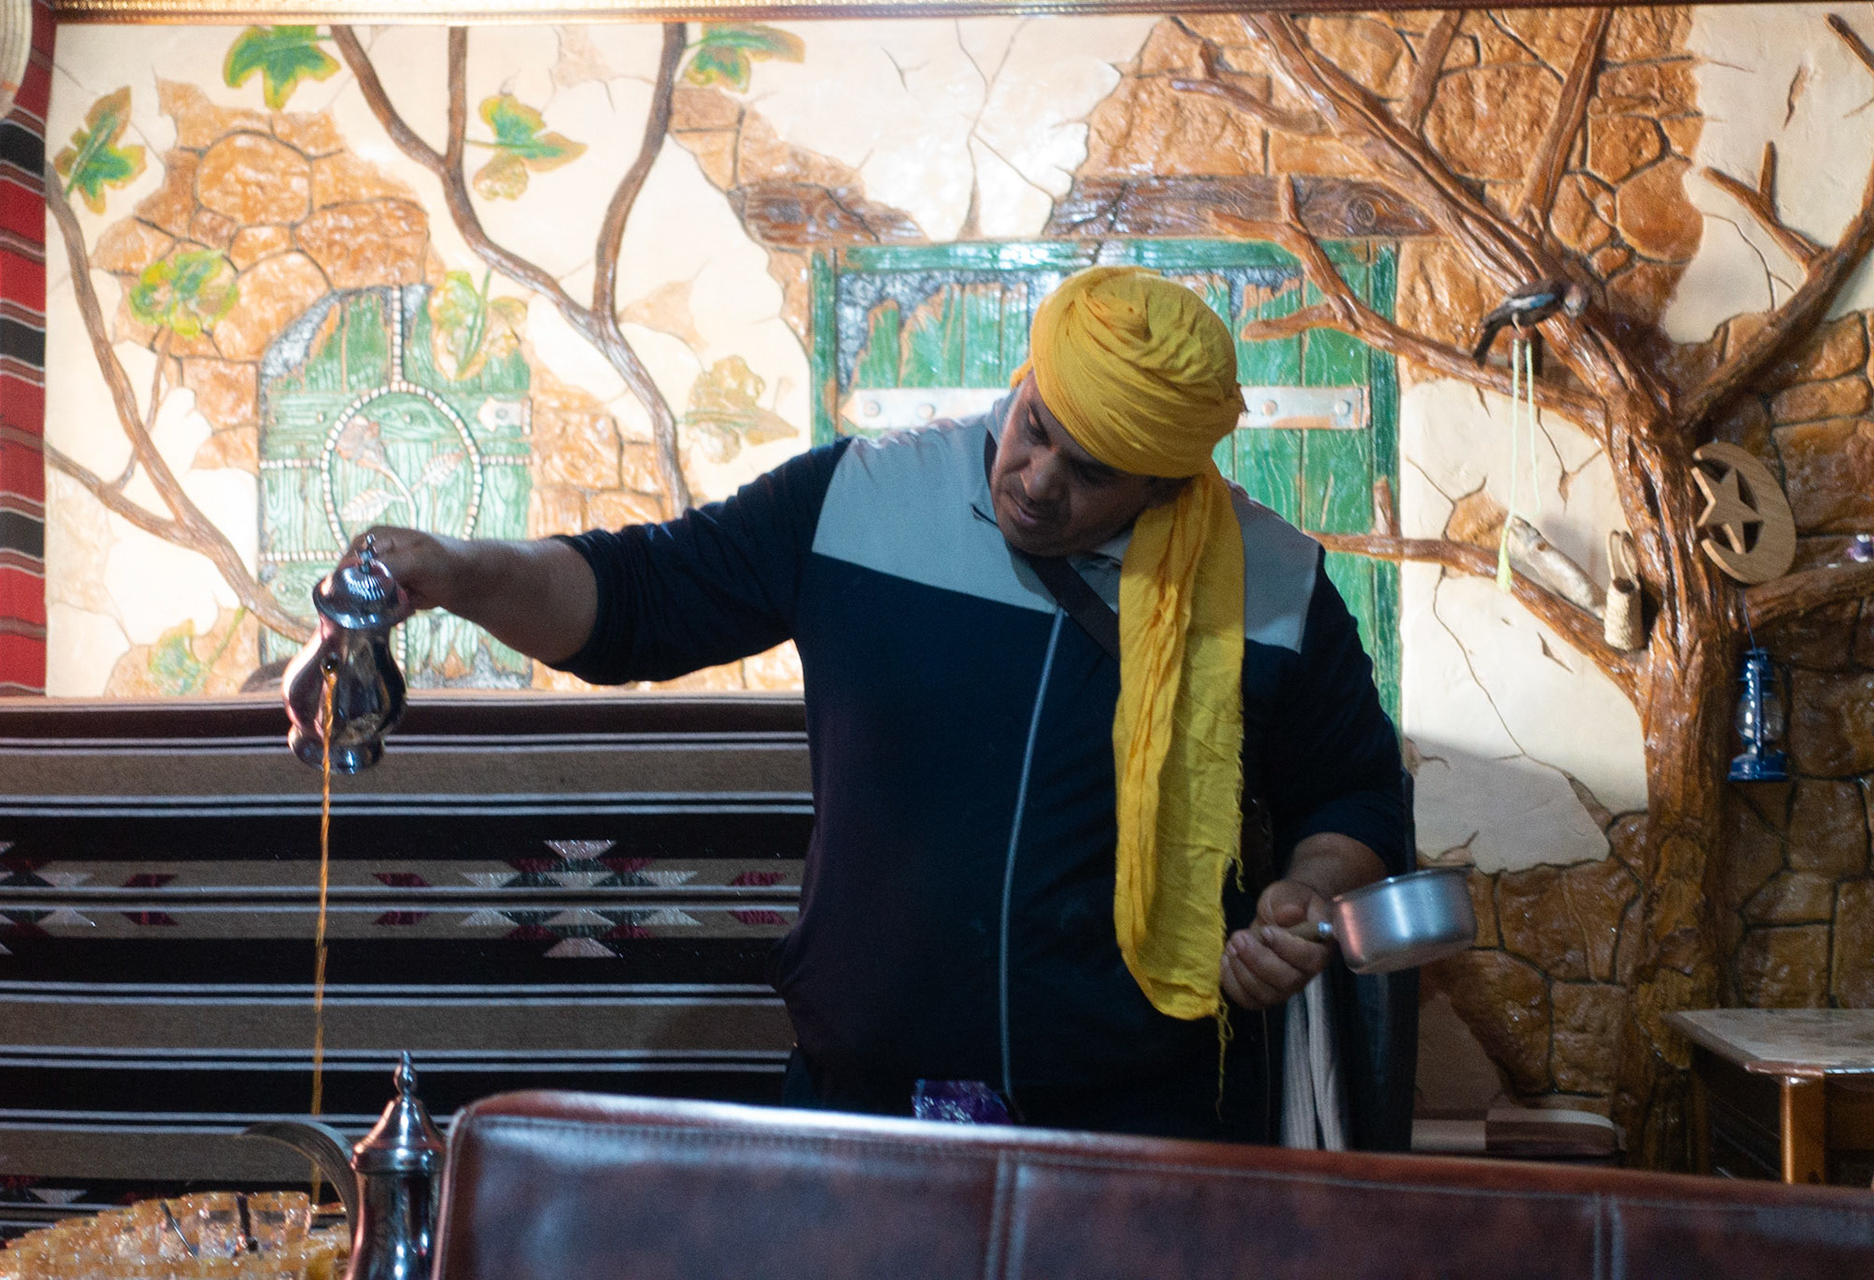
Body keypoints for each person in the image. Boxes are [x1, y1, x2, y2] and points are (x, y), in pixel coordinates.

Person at [346, 267, 1405, 1143]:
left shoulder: (1269, 583)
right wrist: (461, 569)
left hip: (1140, 1131)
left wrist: (1303, 898)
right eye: (1034, 426)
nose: (1036, 480)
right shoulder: (864, 497)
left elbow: (1353, 791)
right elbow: (636, 598)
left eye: (1092, 474)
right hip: (863, 1110)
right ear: (1026, 376)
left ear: (1170, 481)